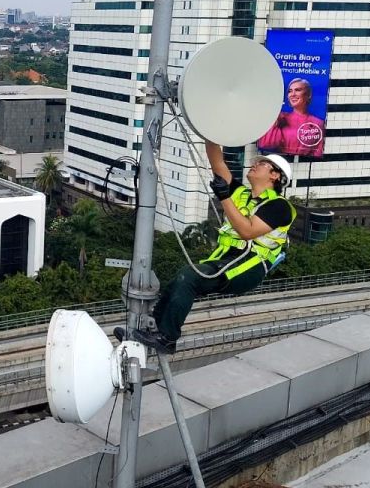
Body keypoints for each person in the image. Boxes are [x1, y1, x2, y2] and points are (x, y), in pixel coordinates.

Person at [124, 140, 297, 355]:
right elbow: (217, 161)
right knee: (181, 278)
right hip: (230, 258)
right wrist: (210, 131)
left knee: (190, 278)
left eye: (262, 164)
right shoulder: (241, 194)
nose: (254, 165)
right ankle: (155, 329)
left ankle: (167, 338)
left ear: (275, 176)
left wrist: (224, 196)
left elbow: (247, 231)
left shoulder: (279, 206)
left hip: (250, 263)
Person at [257, 77, 325, 158]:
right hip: (278, 161)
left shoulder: (318, 123)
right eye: (290, 91)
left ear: (308, 95)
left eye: (298, 90)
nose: (292, 94)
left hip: (304, 164)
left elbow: (318, 152)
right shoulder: (280, 118)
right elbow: (265, 144)